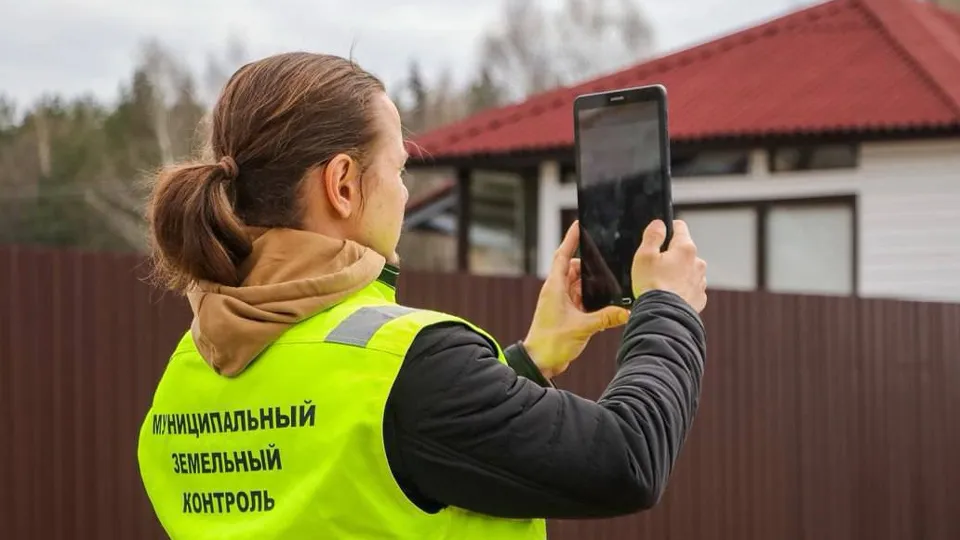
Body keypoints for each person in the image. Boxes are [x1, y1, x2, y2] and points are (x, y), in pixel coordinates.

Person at [136, 52, 708, 540]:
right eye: (400, 169)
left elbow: (382, 469)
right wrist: (667, 308)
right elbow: (627, 458)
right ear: (342, 185)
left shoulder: (185, 377)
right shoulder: (410, 367)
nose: (406, 194)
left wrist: (530, 362)